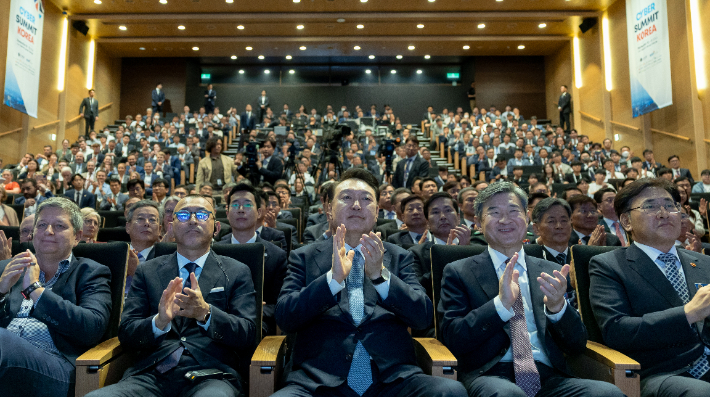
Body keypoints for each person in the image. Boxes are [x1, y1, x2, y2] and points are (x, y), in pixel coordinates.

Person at [274, 168, 467, 397]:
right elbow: (285, 317)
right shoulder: (304, 256)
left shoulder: (399, 256)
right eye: (346, 198)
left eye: (366, 199)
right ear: (329, 209)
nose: (356, 205)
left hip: (393, 380)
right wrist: (332, 281)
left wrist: (380, 277)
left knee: (450, 391)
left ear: (377, 212)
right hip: (318, 381)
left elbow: (422, 316)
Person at [438, 182, 624, 397]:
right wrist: (500, 305)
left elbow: (576, 344)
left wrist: (558, 309)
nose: (505, 220)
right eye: (494, 212)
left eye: (513, 211)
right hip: (490, 375)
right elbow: (453, 338)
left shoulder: (551, 271)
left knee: (607, 394)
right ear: (478, 223)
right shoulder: (459, 271)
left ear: (526, 219)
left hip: (549, 376)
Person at [87, 195, 257, 397]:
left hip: (212, 375)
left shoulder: (237, 271)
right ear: (171, 226)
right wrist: (158, 322)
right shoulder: (147, 271)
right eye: (184, 215)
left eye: (202, 215)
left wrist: (206, 313)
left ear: (216, 228)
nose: (193, 220)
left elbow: (248, 333)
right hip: (150, 374)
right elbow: (127, 332)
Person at [589, 178, 710, 396]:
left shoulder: (702, 261)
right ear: (626, 221)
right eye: (650, 206)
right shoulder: (609, 265)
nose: (664, 213)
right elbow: (617, 331)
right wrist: (688, 313)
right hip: (664, 372)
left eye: (670, 205)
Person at [0, 197, 112, 396]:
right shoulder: (8, 269)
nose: (48, 231)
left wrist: (36, 290)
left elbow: (92, 327)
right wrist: (0, 293)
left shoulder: (91, 272)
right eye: (42, 224)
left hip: (55, 366)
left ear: (77, 236)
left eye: (59, 225)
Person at [217, 183, 287, 337]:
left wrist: (258, 309)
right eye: (235, 205)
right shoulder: (215, 251)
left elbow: (281, 304)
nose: (241, 209)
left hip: (258, 328)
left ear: (259, 212)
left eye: (247, 205)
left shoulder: (276, 255)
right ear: (227, 212)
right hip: (217, 324)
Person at [124, 200, 162, 292]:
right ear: (128, 227)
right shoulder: (117, 253)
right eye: (140, 219)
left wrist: (136, 272)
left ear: (160, 229)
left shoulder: (167, 257)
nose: (147, 223)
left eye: (152, 219)